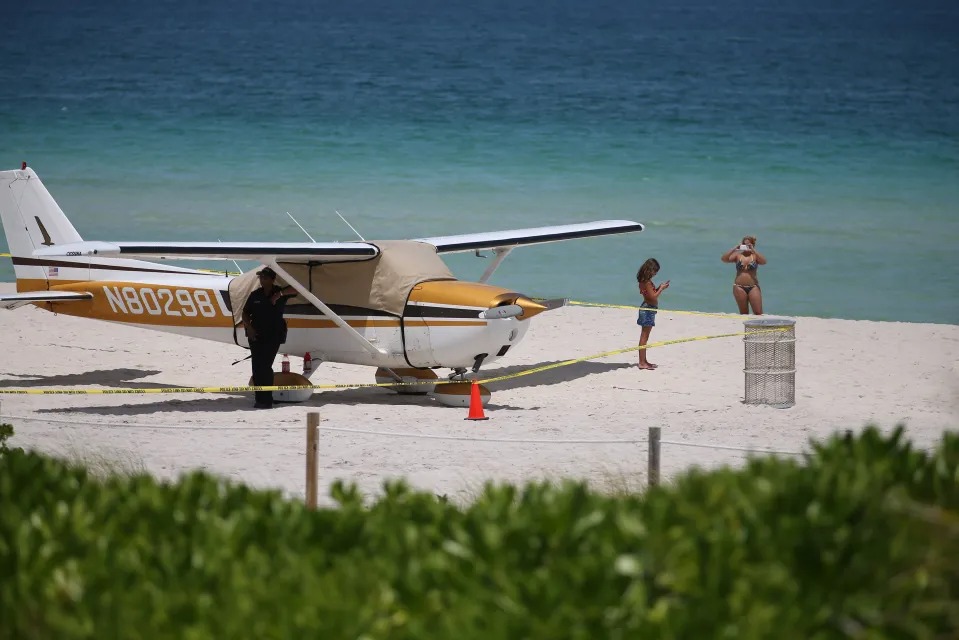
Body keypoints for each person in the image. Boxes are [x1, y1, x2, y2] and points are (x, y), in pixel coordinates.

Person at [241, 267, 296, 409]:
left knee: (265, 366)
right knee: (257, 367)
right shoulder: (255, 295)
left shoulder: (280, 292)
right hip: (256, 335)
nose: (262, 280)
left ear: (272, 279)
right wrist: (249, 328)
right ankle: (260, 399)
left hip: (273, 336)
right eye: (260, 278)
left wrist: (280, 294)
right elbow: (245, 313)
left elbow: (297, 289)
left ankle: (267, 400)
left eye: (265, 278)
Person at [636, 258, 669, 370]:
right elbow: (653, 297)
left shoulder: (643, 281)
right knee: (644, 337)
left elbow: (650, 295)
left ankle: (644, 361)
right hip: (648, 309)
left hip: (647, 308)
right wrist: (661, 288)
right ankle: (642, 362)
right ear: (650, 270)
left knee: (645, 336)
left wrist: (659, 288)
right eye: (654, 271)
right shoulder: (647, 282)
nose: (655, 274)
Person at [721, 236, 767, 315]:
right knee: (744, 313)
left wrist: (753, 250)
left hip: (753, 286)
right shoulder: (737, 256)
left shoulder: (755, 256)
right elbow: (724, 259)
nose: (746, 247)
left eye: (748, 245)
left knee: (758, 312)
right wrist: (735, 248)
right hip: (739, 287)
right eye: (744, 244)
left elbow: (764, 262)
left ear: (752, 245)